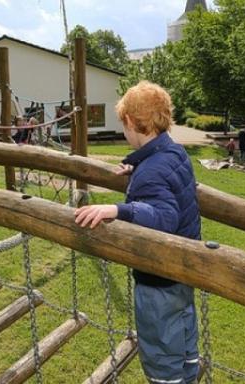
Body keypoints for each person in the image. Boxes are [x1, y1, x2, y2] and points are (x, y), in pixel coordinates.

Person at [74, 81, 201, 384]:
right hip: (185, 267)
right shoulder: (174, 152)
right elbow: (165, 176)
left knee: (160, 345)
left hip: (158, 276)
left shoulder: (152, 171)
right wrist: (136, 166)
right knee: (183, 332)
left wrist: (119, 210)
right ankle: (189, 373)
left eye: (124, 125)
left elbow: (164, 216)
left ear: (130, 122)